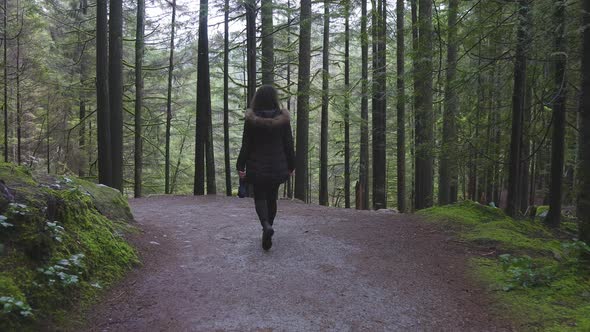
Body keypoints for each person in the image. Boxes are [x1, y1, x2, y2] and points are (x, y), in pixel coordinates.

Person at [237, 85, 295, 251]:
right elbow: (288, 144)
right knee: (272, 198)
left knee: (260, 197)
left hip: (257, 167)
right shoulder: (283, 119)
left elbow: (246, 145)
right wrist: (292, 165)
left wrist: (240, 165)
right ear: (274, 99)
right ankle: (269, 226)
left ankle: (265, 226)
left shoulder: (251, 119)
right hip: (278, 167)